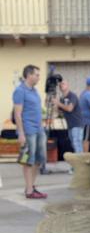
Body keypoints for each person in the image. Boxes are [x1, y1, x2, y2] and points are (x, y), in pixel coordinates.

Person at [13, 64, 48, 199]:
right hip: (28, 131)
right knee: (28, 160)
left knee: (39, 159)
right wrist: (21, 133)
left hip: (39, 129)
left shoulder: (34, 91)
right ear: (29, 75)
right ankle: (29, 190)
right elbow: (17, 114)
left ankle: (31, 187)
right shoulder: (20, 91)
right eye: (37, 75)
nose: (39, 77)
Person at [53, 80, 84, 153]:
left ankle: (79, 162)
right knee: (73, 144)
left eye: (63, 84)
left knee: (77, 143)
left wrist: (58, 103)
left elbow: (69, 108)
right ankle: (78, 161)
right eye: (60, 84)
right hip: (70, 125)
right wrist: (55, 104)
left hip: (77, 124)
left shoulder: (72, 96)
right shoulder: (62, 98)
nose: (61, 85)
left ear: (68, 85)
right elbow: (59, 112)